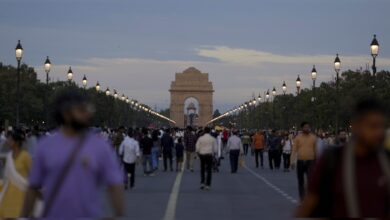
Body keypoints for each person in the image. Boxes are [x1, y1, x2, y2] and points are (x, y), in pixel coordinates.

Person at [22, 90, 124, 218]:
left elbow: (114, 184)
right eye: (81, 110)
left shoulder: (100, 146)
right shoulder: (45, 146)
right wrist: (24, 216)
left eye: (88, 109)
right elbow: (33, 186)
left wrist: (118, 214)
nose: (87, 114)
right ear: (66, 114)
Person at [296, 99, 390, 218]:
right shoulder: (332, 160)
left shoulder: (386, 161)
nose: (379, 132)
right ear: (356, 126)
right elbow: (309, 206)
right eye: (372, 126)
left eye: (382, 126)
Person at [0, 129, 32, 218]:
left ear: (17, 142)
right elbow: (7, 176)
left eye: (10, 139)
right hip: (9, 194)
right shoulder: (9, 156)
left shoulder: (25, 156)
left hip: (21, 195)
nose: (8, 141)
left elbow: (32, 176)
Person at [291, 122, 317, 200]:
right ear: (302, 128)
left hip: (310, 161)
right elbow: (294, 150)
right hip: (300, 161)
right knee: (301, 181)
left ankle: (309, 197)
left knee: (310, 180)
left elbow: (316, 150)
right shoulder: (298, 138)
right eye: (305, 127)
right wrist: (292, 161)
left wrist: (317, 162)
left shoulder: (313, 138)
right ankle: (302, 198)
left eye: (308, 127)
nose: (307, 129)